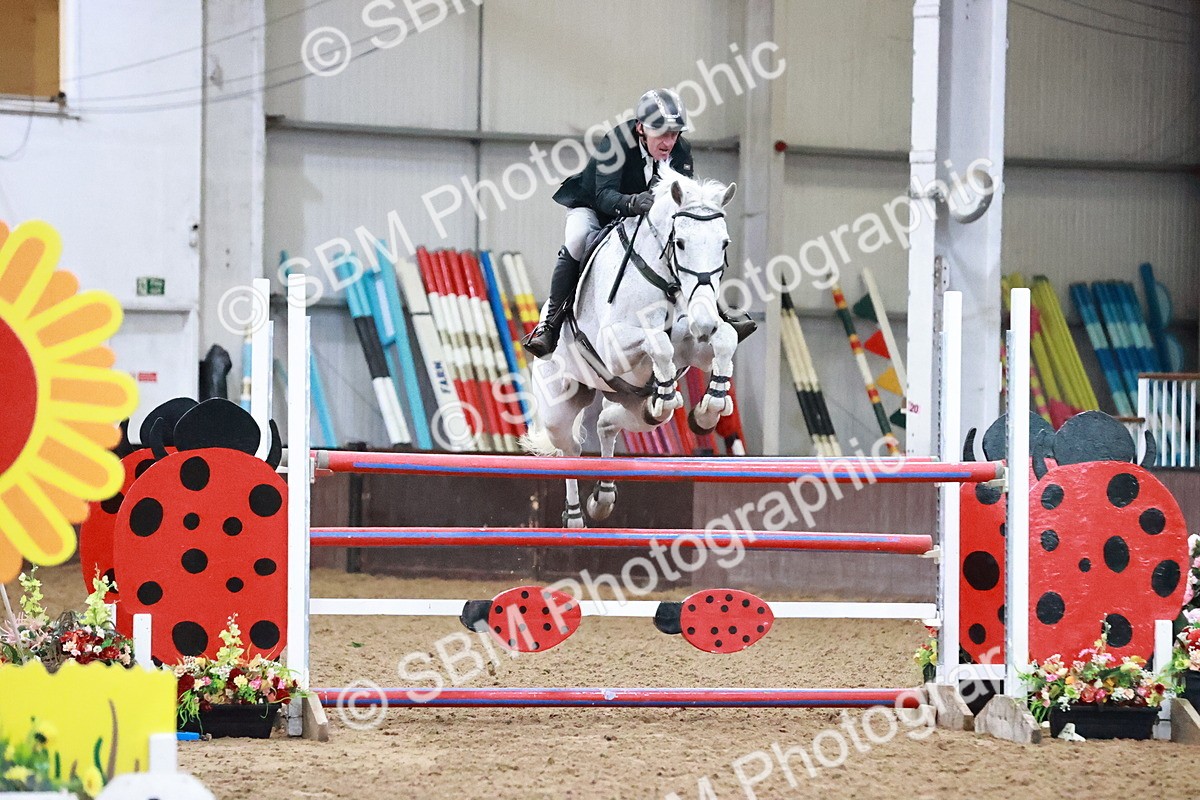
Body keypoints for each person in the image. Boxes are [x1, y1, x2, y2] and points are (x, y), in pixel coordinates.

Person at [522, 88, 756, 359]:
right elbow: (604, 196)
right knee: (576, 240)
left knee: (687, 245)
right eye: (661, 133)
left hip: (643, 217)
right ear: (641, 128)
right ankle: (550, 324)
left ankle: (716, 310)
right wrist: (633, 203)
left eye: (674, 133)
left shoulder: (681, 150)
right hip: (596, 208)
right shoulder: (617, 143)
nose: (668, 142)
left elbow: (681, 199)